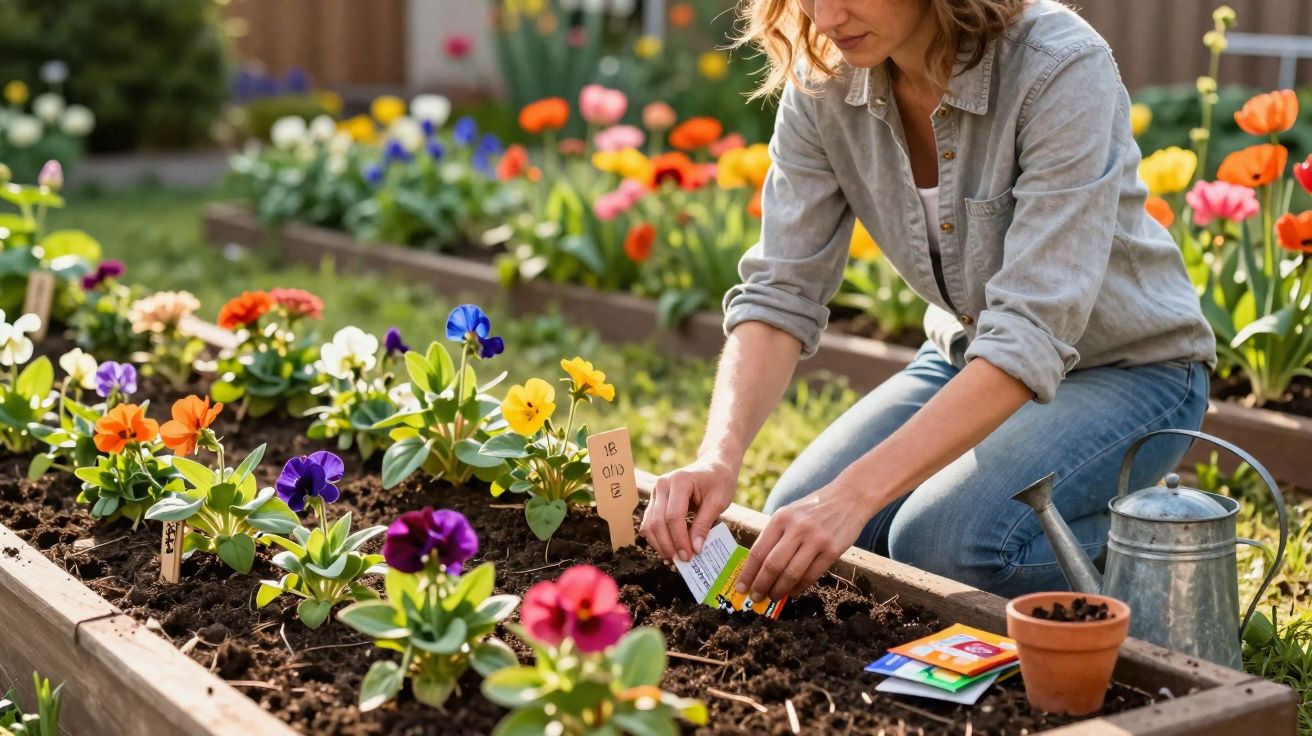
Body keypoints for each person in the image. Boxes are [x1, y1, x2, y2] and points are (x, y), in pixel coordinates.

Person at [640, 0, 1216, 602]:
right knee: (799, 521)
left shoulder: (1058, 66)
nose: (828, 17)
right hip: (967, 357)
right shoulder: (824, 77)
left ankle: (1175, 552)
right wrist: (718, 457)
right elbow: (782, 290)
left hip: (1129, 371)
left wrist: (853, 494)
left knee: (941, 545)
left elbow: (1031, 329)